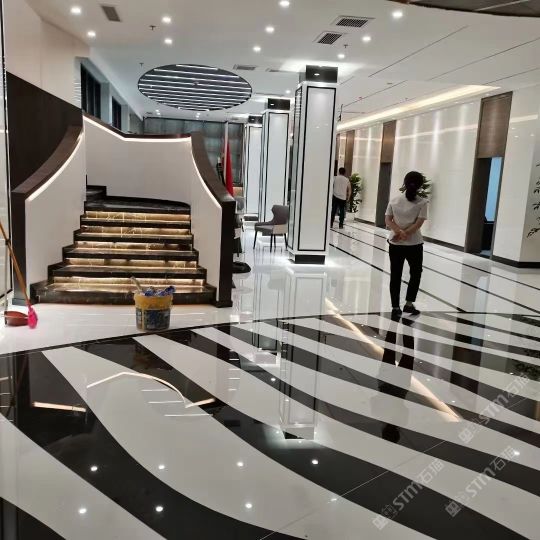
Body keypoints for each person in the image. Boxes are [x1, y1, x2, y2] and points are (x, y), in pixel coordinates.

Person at [384, 171, 428, 317]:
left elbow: (388, 220)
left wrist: (398, 232)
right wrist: (406, 234)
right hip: (414, 244)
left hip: (395, 244)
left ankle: (395, 307)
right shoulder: (422, 202)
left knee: (395, 274)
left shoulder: (394, 200)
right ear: (420, 185)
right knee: (415, 273)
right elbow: (419, 223)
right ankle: (409, 304)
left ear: (405, 182)